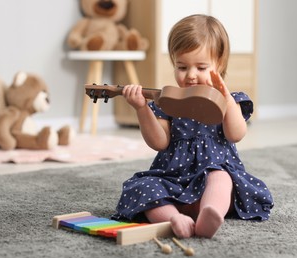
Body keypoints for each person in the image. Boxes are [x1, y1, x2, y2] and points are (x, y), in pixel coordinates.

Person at [111, 14, 274, 238]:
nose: (191, 76)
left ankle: (211, 213)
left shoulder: (230, 100)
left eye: (201, 67)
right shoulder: (167, 102)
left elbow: (236, 134)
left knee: (221, 176)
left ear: (220, 64)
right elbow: (158, 142)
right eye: (182, 67)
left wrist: (224, 96)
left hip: (209, 188)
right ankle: (174, 219)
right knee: (142, 187)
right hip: (173, 182)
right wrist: (141, 109)